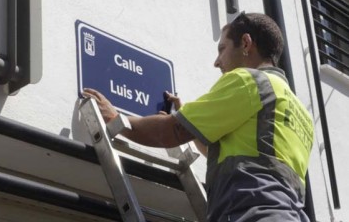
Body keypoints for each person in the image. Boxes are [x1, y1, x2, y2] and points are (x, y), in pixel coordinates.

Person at [82, 12, 314, 222]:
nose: (217, 62)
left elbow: (171, 132)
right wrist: (194, 122)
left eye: (222, 49)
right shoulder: (299, 112)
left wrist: (117, 119)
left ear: (245, 43)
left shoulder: (250, 81)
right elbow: (237, 153)